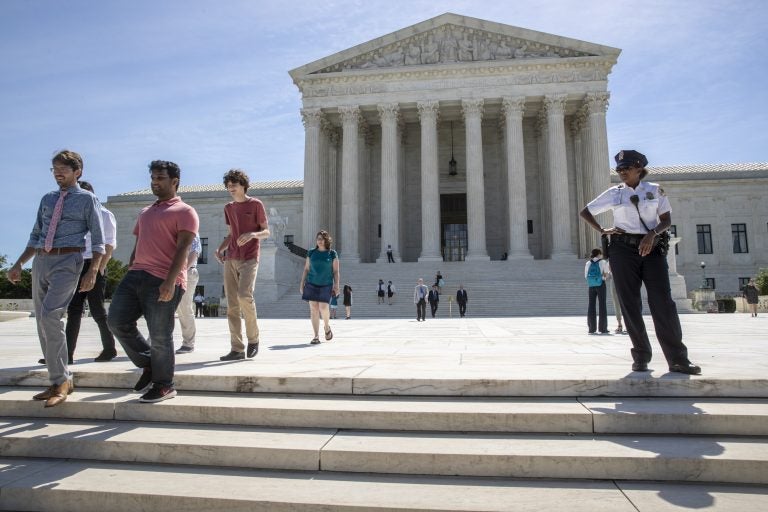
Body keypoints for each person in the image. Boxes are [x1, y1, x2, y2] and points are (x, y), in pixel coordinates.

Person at [580, 149, 702, 375]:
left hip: (651, 248)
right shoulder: (614, 193)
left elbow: (666, 220)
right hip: (622, 250)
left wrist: (652, 234)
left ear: (639, 168)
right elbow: (585, 211)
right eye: (618, 169)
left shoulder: (654, 190)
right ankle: (641, 357)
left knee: (663, 303)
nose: (622, 172)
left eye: (626, 168)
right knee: (630, 304)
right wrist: (602, 230)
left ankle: (678, 359)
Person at [8, 150, 105, 408]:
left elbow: (98, 239)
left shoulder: (87, 200)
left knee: (52, 315)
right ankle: (57, 380)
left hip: (68, 260)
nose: (58, 173)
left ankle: (61, 380)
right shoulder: (47, 199)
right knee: (41, 320)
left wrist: (93, 270)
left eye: (63, 168)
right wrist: (19, 263)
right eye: (54, 169)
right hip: (41, 260)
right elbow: (36, 233)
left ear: (78, 172)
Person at [107, 160, 198, 403]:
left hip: (164, 278)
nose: (154, 183)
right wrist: (130, 267)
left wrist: (170, 281)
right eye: (153, 178)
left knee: (160, 334)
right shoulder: (145, 212)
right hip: (135, 275)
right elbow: (139, 244)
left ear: (174, 181)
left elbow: (183, 249)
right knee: (116, 321)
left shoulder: (186, 212)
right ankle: (150, 364)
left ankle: (164, 384)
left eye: (160, 178)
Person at [38, 180, 117, 366]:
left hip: (94, 264)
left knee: (97, 309)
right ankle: (67, 354)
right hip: (75, 263)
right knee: (73, 309)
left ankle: (109, 348)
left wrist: (98, 269)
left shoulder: (105, 214)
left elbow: (109, 244)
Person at [215, 169, 270, 361]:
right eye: (228, 185)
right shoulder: (228, 208)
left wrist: (253, 235)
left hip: (249, 257)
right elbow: (231, 234)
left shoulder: (256, 204)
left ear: (243, 185)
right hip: (231, 257)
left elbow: (266, 231)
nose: (230, 188)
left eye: (234, 185)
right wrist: (219, 249)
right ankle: (236, 349)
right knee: (231, 305)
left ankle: (253, 339)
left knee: (244, 296)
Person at [300, 230, 340, 344]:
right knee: (313, 309)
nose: (320, 241)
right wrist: (302, 282)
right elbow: (306, 269)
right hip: (311, 283)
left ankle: (327, 327)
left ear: (326, 240)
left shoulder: (332, 253)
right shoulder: (311, 252)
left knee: (323, 307)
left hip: (326, 284)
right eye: (318, 239)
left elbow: (336, 271)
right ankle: (316, 336)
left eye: (322, 239)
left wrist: (336, 285)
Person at [175, 234, 201, 354]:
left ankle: (188, 343)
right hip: (168, 270)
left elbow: (194, 251)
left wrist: (182, 271)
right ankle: (153, 341)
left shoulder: (190, 226)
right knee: (160, 306)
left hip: (187, 272)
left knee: (184, 307)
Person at [585, 248, 610, 335]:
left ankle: (591, 328)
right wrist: (604, 277)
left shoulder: (588, 263)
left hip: (591, 285)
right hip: (601, 284)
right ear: (599, 254)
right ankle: (603, 328)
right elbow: (606, 274)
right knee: (602, 305)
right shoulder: (603, 262)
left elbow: (585, 276)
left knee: (591, 305)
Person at [605, 260, 626, 334]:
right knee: (626, 304)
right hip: (624, 280)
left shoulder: (610, 260)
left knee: (616, 304)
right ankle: (627, 326)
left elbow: (607, 273)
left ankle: (620, 325)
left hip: (615, 281)